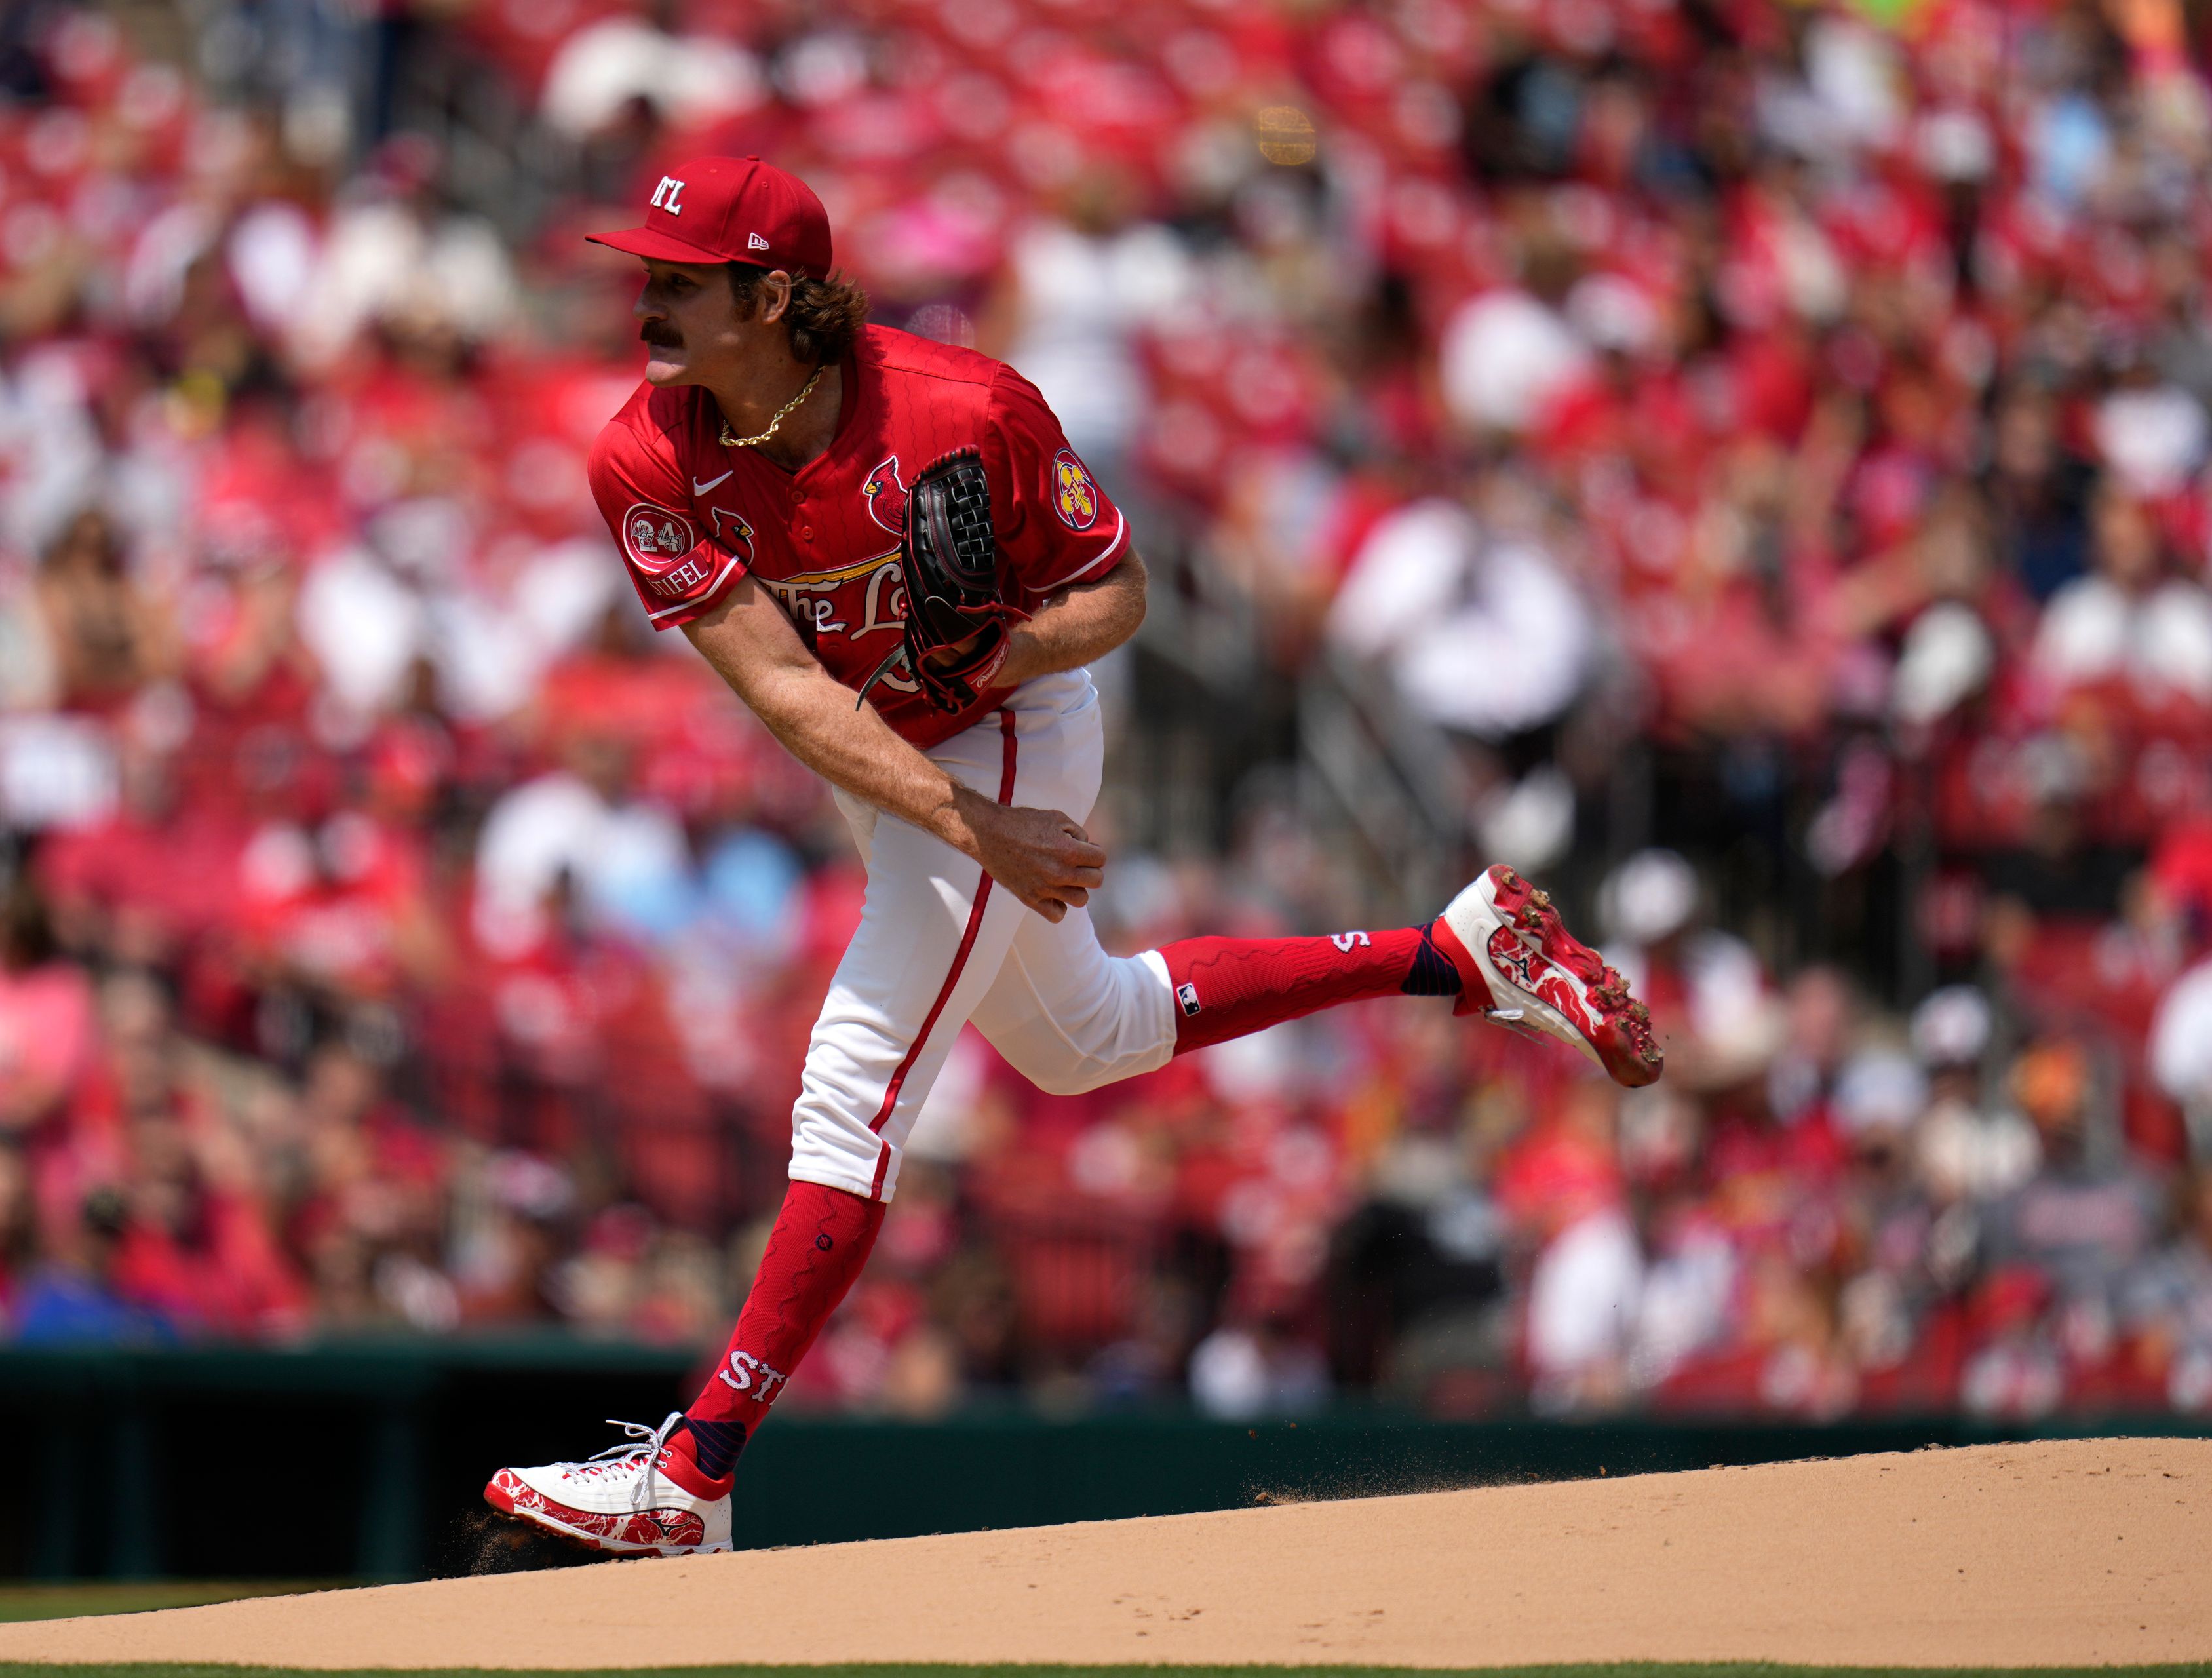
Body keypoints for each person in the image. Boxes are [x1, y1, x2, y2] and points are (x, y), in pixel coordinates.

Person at [483, 156, 1662, 1557]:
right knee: (1082, 1037)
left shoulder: (961, 407)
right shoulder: (647, 451)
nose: (646, 299)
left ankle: (694, 1472)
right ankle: (1454, 951)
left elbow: (1119, 592)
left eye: (678, 277)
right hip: (901, 758)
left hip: (1015, 723)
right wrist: (968, 829)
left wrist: (1008, 651)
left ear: (778, 292)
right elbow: (791, 696)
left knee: (855, 1075)